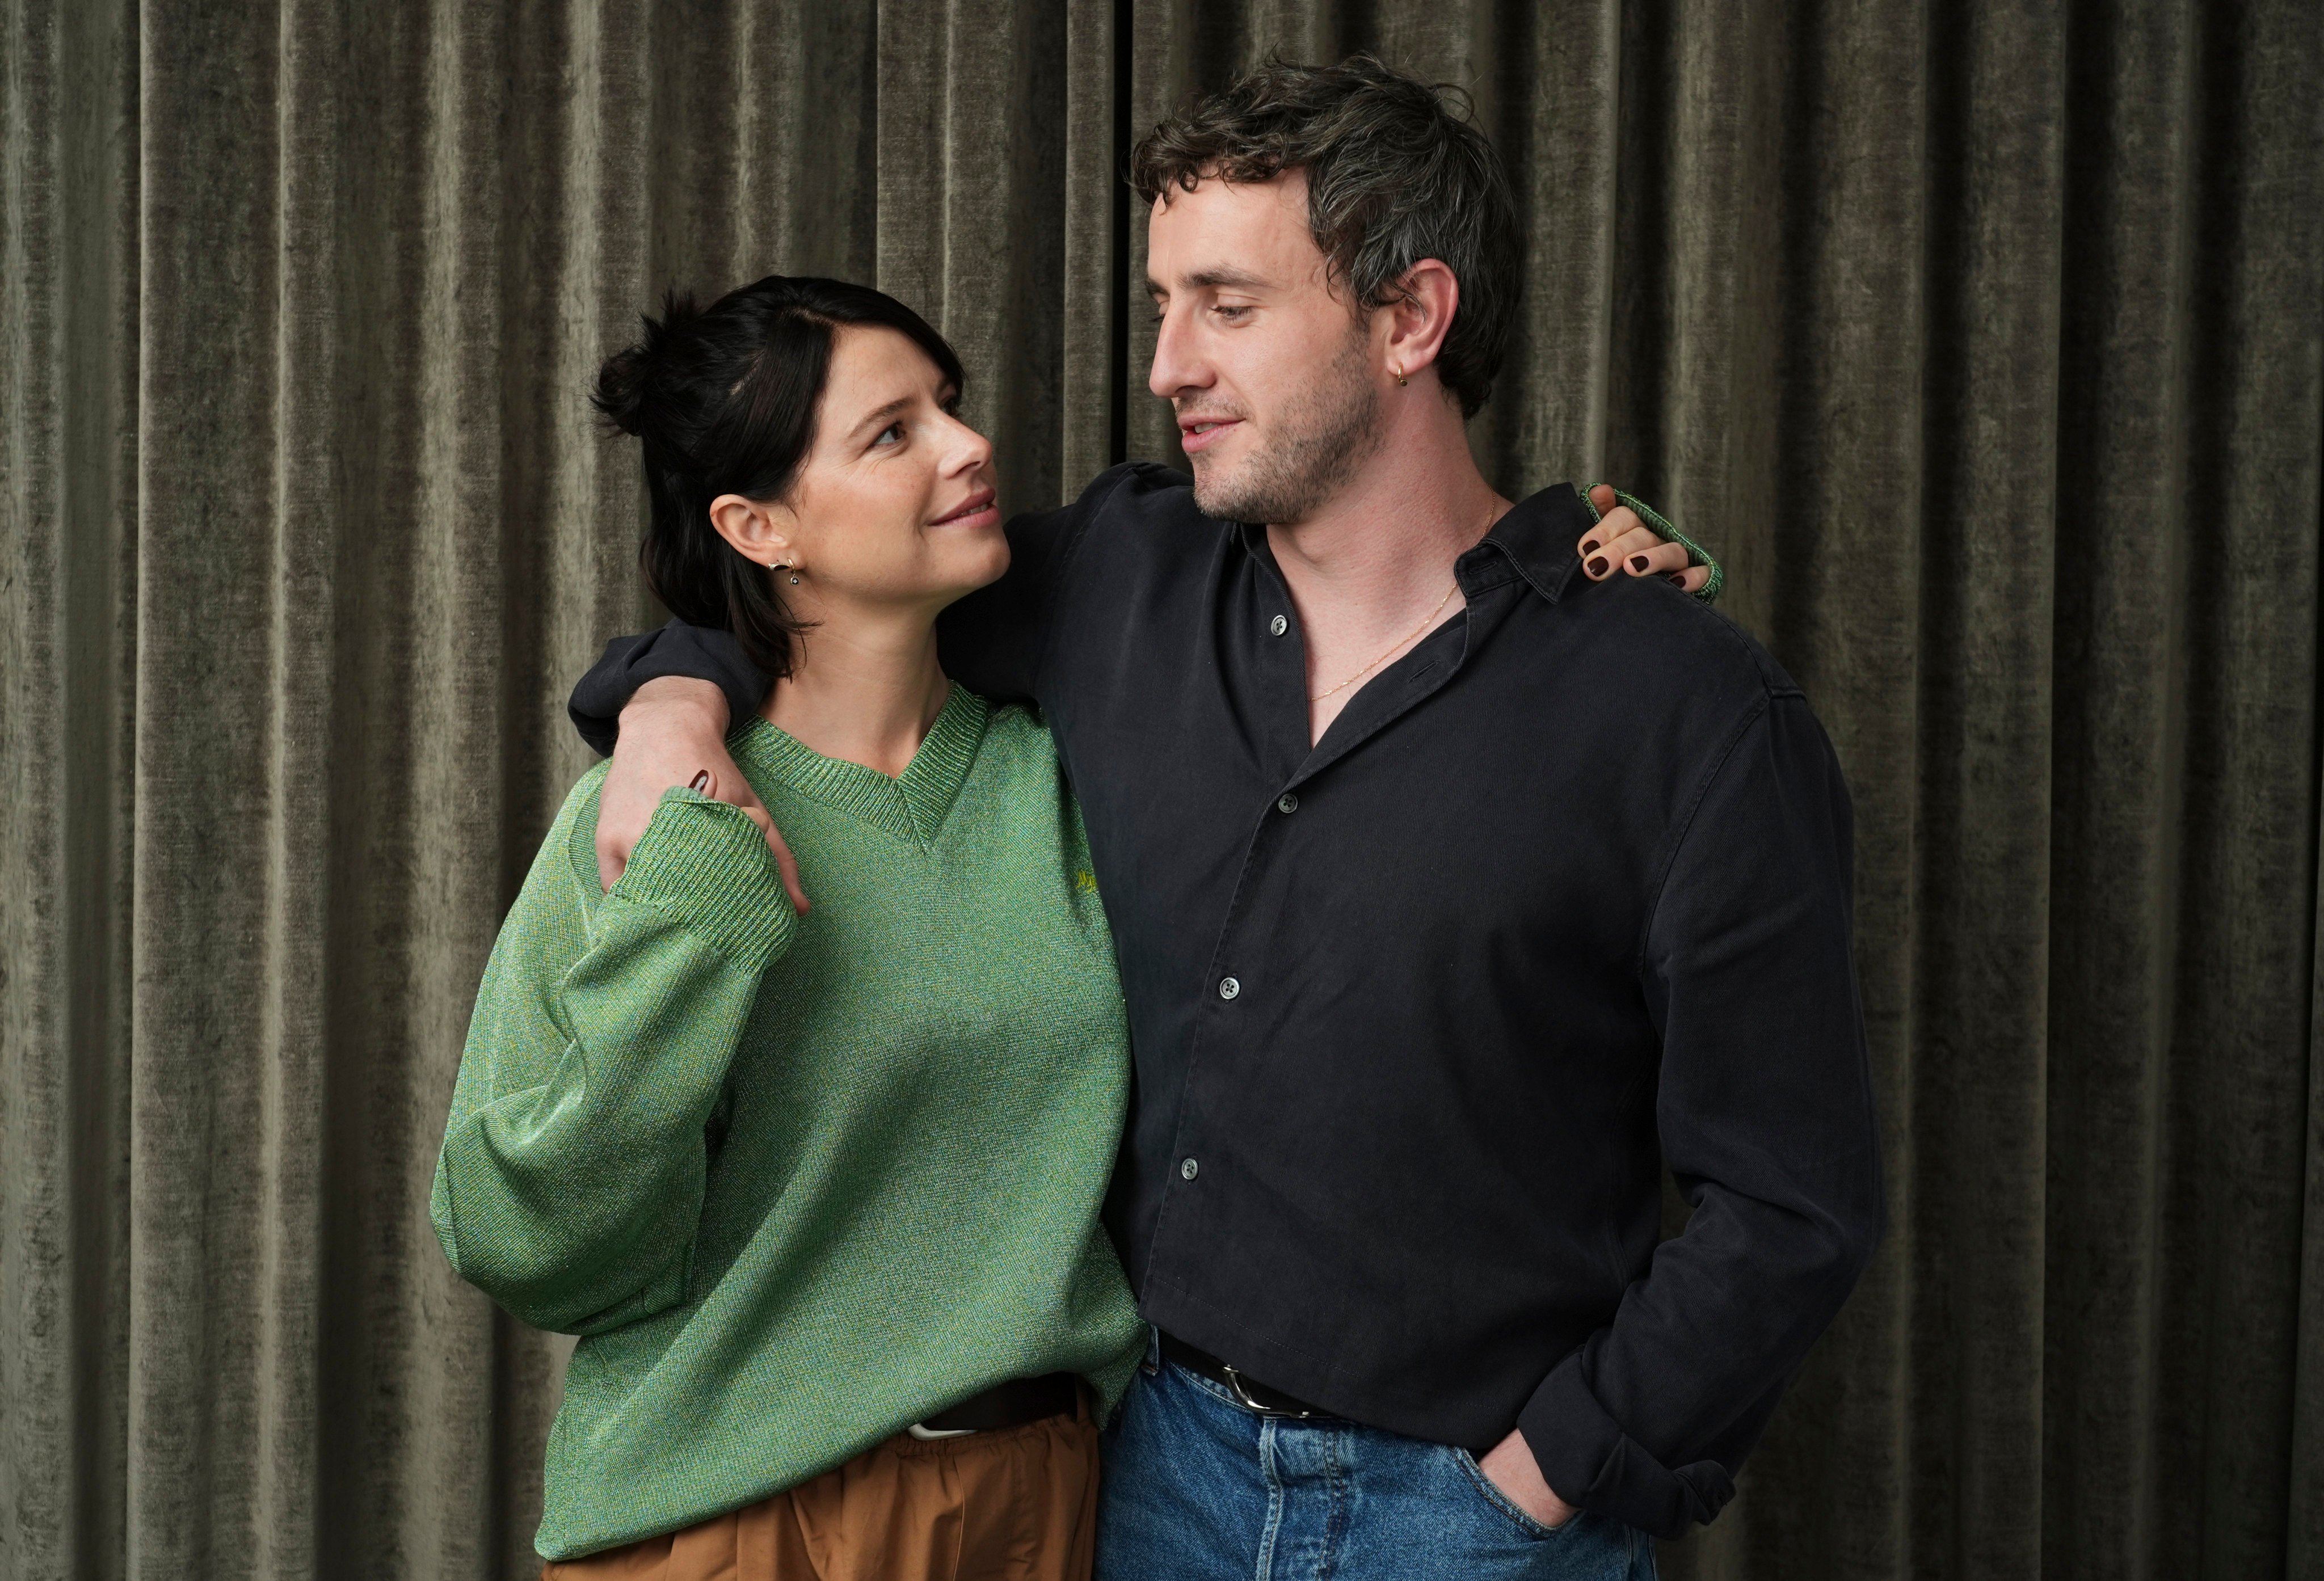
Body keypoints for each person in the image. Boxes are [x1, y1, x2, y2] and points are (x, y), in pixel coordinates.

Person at [570, 55, 1880, 1581]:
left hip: (1476, 1519)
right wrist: (664, 702)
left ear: (1410, 319)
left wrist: (1547, 1476)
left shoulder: (1685, 706)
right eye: (1162, 304)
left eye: (1228, 305)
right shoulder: (1115, 581)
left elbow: (1792, 1202)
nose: (1168, 363)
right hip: (1148, 1484)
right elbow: (821, 591)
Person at [431, 275, 1151, 1579]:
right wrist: (696, 910)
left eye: (950, 406)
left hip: (1035, 1502)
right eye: (894, 433)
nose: (968, 445)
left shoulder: (1063, 780)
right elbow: (520, 1238)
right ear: (758, 524)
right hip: (734, 1514)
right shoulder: (646, 820)